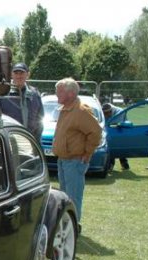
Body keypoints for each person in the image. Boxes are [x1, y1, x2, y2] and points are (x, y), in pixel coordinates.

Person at [52, 78, 102, 232]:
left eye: (60, 91)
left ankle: (73, 227)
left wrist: (87, 153)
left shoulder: (80, 110)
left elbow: (96, 132)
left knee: (73, 197)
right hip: (63, 160)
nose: (56, 94)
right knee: (65, 196)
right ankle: (67, 226)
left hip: (74, 161)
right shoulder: (65, 109)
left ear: (71, 93)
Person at [0, 63, 44, 141]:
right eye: (16, 73)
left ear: (28, 75)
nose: (18, 76)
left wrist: (35, 139)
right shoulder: (2, 93)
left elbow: (40, 118)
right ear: (11, 75)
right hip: (10, 140)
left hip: (30, 139)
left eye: (22, 73)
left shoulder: (34, 94)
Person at [101, 103, 129, 170]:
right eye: (104, 114)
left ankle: (124, 163)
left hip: (120, 131)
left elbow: (115, 124)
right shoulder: (104, 113)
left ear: (110, 112)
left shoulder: (120, 112)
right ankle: (111, 164)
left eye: (106, 114)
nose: (105, 116)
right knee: (110, 147)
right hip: (110, 132)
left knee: (120, 146)